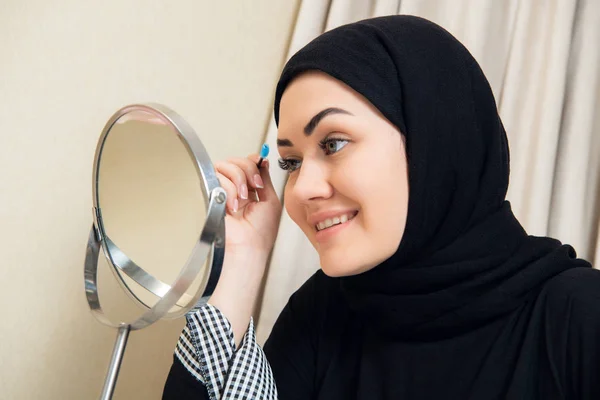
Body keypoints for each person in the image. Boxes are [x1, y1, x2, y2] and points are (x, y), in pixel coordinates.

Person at [163, 15, 600, 400]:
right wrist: (242, 259)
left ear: (435, 143)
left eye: (333, 143)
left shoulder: (578, 317)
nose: (300, 190)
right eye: (291, 162)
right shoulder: (322, 315)